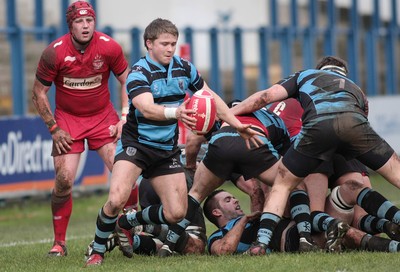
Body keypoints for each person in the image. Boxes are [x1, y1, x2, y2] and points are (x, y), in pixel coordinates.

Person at [84, 18, 261, 266]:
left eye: (173, 44)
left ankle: (125, 223)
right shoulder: (139, 72)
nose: (170, 49)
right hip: (136, 146)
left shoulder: (185, 68)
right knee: (116, 199)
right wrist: (174, 113)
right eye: (164, 44)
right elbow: (145, 107)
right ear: (149, 44)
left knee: (176, 213)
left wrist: (235, 122)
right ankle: (97, 252)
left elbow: (208, 96)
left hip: (165, 151)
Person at [230, 55, 400, 255]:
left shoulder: (305, 76)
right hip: (353, 131)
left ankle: (263, 242)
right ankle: (385, 223)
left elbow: (265, 98)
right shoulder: (356, 89)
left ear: (319, 69)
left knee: (284, 187)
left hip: (315, 136)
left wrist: (228, 114)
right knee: (390, 176)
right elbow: (361, 118)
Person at [31, 1, 132, 257]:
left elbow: (127, 80)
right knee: (64, 180)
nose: (86, 26)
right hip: (67, 121)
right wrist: (54, 128)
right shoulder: (53, 53)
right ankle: (59, 243)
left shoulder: (109, 46)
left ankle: (130, 234)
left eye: (89, 21)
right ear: (70, 25)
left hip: (103, 119)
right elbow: (39, 93)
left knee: (126, 174)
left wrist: (124, 117)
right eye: (79, 21)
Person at [204, 189, 400, 255]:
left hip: (302, 221)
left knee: (349, 188)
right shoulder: (217, 236)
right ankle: (394, 246)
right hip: (290, 238)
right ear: (216, 212)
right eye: (227, 200)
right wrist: (245, 219)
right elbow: (224, 250)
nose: (236, 200)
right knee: (349, 234)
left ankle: (391, 223)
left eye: (233, 197)